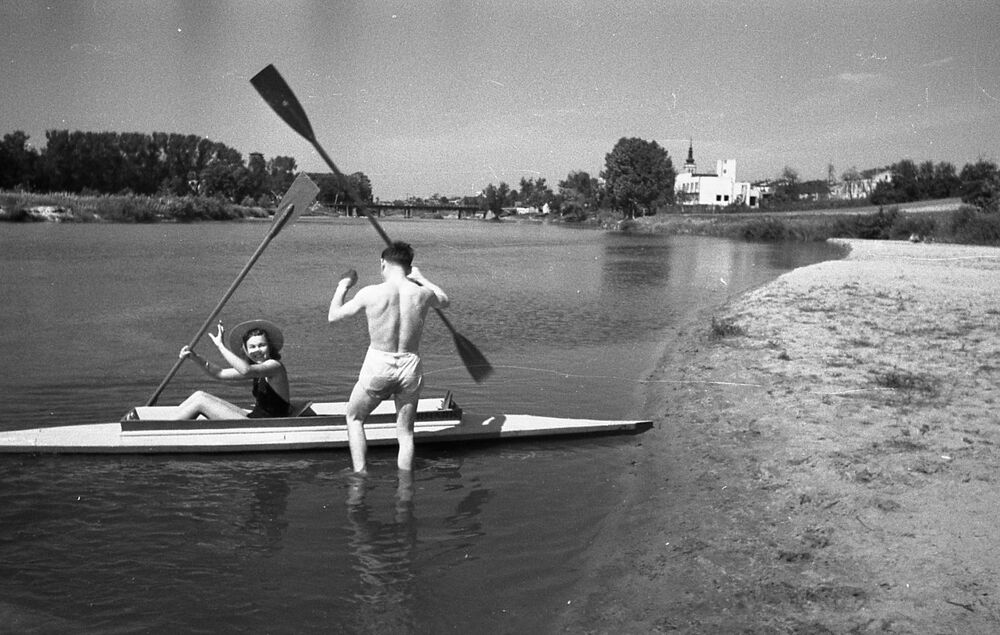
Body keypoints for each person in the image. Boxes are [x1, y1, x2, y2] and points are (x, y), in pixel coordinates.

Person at [328, 241, 449, 473]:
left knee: (354, 418)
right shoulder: (423, 294)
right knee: (405, 432)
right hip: (410, 365)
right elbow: (445, 300)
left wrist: (343, 286)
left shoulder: (370, 292)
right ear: (409, 266)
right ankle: (405, 488)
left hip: (379, 365)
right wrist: (422, 278)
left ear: (383, 263)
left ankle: (360, 474)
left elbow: (334, 316)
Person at [172, 319, 291, 420]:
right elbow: (219, 373)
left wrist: (220, 346)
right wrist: (194, 357)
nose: (257, 350)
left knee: (201, 402)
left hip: (266, 426)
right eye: (252, 347)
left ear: (270, 347)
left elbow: (246, 370)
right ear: (246, 350)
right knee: (199, 395)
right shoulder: (257, 369)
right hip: (254, 418)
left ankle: (164, 430)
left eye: (262, 345)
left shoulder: (274, 366)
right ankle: (167, 423)